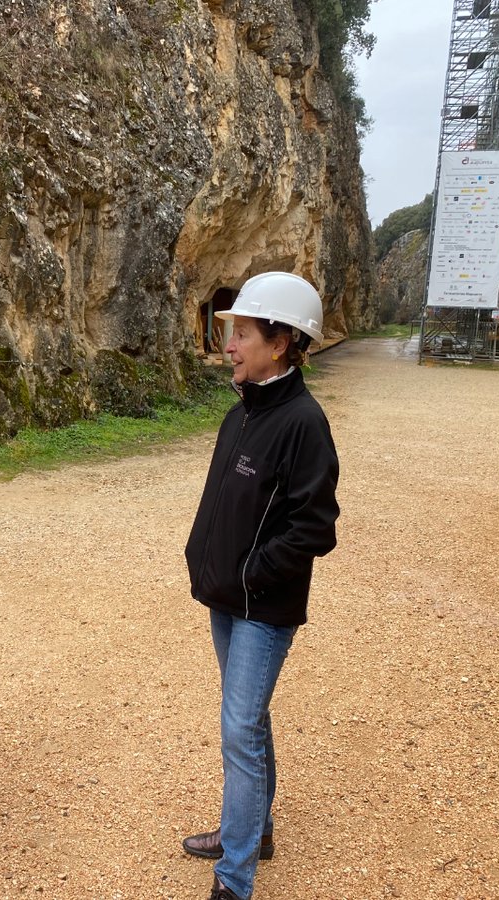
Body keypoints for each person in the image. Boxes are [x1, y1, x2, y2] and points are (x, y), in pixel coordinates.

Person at [181, 272, 340, 900]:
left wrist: (251, 573)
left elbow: (315, 527)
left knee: (240, 729)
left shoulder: (304, 422)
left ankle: (236, 875)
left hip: (262, 607)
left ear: (280, 343)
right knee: (250, 720)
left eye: (242, 333)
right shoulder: (242, 412)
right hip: (228, 596)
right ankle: (253, 828)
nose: (230, 344)